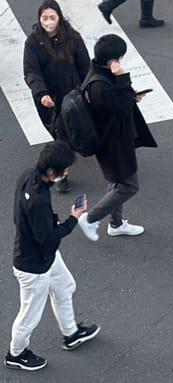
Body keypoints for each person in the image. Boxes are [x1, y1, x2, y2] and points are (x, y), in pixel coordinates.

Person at [5, 141, 99, 372]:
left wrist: (50, 222)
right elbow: (48, 239)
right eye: (64, 169)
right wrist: (73, 218)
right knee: (29, 315)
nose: (66, 173)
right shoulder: (37, 201)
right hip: (34, 266)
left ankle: (71, 334)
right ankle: (15, 354)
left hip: (41, 256)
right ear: (51, 171)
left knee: (65, 286)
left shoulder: (29, 176)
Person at [78, 34, 157, 242]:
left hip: (112, 139)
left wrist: (130, 95)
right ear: (113, 59)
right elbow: (120, 110)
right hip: (113, 142)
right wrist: (123, 78)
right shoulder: (100, 85)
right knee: (129, 186)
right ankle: (91, 219)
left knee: (116, 182)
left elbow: (115, 104)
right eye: (120, 57)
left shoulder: (97, 73)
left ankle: (116, 224)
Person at [23, 0, 91, 193]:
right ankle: (62, 174)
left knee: (72, 131)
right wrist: (41, 93)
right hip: (50, 98)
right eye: (44, 18)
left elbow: (85, 66)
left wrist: (86, 89)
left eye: (52, 17)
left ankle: (71, 157)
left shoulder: (73, 38)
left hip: (73, 95)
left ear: (59, 18)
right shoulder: (33, 42)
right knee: (59, 136)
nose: (48, 22)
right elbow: (31, 71)